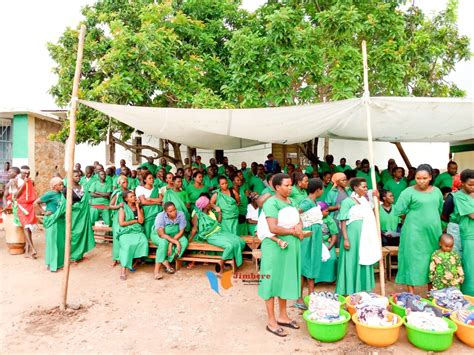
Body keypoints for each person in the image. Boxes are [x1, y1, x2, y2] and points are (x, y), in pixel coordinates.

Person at [259, 173, 304, 337]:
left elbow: (298, 219)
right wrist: (293, 231)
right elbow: (273, 227)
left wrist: (299, 226)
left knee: (284, 279)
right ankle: (271, 321)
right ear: (277, 187)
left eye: (291, 185)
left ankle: (283, 316)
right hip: (274, 246)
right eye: (287, 185)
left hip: (290, 245)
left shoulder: (292, 201)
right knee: (271, 281)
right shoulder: (271, 203)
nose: (290, 188)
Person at [394, 164, 443, 294]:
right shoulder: (408, 192)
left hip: (433, 233)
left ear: (430, 177)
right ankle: (411, 293)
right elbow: (398, 210)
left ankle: (431, 292)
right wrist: (413, 218)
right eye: (418, 178)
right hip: (413, 232)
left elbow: (439, 209)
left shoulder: (437, 191)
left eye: (425, 178)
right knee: (412, 259)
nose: (421, 181)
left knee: (432, 259)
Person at [336, 178, 379, 295]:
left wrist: (376, 198)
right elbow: (343, 221)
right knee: (352, 260)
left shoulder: (365, 201)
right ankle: (350, 289)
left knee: (364, 258)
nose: (366, 189)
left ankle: (363, 288)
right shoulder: (347, 201)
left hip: (365, 235)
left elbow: (374, 212)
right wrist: (345, 239)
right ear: (355, 188)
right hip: (352, 236)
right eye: (363, 187)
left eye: (366, 187)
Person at [189, 195, 245, 267]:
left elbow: (218, 222)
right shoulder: (198, 215)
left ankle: (231, 261)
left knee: (240, 240)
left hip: (219, 232)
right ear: (205, 206)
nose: (210, 204)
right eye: (209, 203)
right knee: (229, 246)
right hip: (210, 236)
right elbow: (194, 229)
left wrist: (219, 213)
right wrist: (190, 239)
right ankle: (222, 262)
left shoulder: (211, 212)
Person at [295, 178, 325, 310]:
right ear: (318, 190)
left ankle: (311, 296)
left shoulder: (314, 201)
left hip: (315, 237)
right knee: (304, 266)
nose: (323, 191)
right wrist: (300, 227)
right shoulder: (307, 202)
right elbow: (296, 213)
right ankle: (299, 297)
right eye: (322, 188)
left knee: (312, 265)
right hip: (307, 238)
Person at [446, 169, 474, 295]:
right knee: (468, 265)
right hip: (466, 232)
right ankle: (469, 293)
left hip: (468, 232)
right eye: (470, 184)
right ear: (462, 183)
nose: (473, 187)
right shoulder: (457, 197)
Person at [117, 190, 149, 280]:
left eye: (134, 196)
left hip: (137, 231)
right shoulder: (122, 208)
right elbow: (122, 223)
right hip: (126, 231)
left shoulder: (139, 207)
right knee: (127, 246)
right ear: (126, 199)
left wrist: (138, 207)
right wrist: (134, 221)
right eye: (131, 196)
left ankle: (135, 262)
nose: (134, 197)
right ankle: (123, 270)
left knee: (143, 242)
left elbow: (141, 221)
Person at [64, 170, 96, 262]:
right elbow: (67, 202)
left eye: (79, 176)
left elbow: (86, 199)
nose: (78, 177)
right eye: (76, 176)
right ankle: (72, 255)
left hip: (83, 214)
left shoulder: (83, 187)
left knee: (82, 233)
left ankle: (79, 254)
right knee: (73, 234)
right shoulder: (68, 188)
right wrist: (77, 206)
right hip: (74, 214)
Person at [34, 177, 65, 271]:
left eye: (62, 184)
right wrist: (43, 212)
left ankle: (59, 263)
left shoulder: (62, 194)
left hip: (61, 221)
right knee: (52, 243)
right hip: (52, 220)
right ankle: (52, 264)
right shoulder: (50, 194)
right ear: (54, 186)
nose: (62, 186)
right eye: (60, 184)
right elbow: (36, 203)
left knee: (60, 243)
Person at [152, 202, 188, 280]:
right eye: (170, 211)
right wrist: (176, 242)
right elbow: (161, 234)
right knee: (163, 243)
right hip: (159, 235)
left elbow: (181, 231)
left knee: (184, 242)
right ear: (166, 211)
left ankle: (166, 260)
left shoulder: (180, 214)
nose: (174, 212)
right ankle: (156, 271)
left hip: (175, 234)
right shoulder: (160, 216)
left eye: (174, 209)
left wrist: (171, 244)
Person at [15, 166, 38, 258]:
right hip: (21, 207)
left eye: (28, 173)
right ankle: (32, 248)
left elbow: (32, 194)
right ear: (21, 172)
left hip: (29, 206)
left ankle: (28, 252)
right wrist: (24, 184)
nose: (26, 175)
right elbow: (16, 196)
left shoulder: (30, 181)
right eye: (24, 173)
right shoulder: (15, 181)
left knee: (29, 228)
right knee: (26, 227)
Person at [109, 175, 129, 266]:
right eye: (123, 182)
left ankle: (125, 257)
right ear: (119, 183)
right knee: (117, 236)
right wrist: (118, 206)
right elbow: (111, 205)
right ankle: (116, 258)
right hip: (118, 216)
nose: (125, 183)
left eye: (126, 182)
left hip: (128, 215)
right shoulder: (117, 192)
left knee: (126, 236)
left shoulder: (130, 192)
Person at [135, 172, 163, 239]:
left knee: (157, 228)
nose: (152, 180)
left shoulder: (157, 189)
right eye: (149, 178)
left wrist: (150, 199)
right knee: (147, 228)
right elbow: (143, 202)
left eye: (152, 178)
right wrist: (156, 202)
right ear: (145, 180)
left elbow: (161, 199)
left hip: (157, 212)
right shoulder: (140, 189)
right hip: (146, 213)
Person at [317, 202, 339, 283]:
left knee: (332, 258)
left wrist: (330, 246)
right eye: (326, 211)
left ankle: (330, 279)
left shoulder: (329, 219)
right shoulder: (313, 219)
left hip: (327, 243)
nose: (328, 212)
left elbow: (334, 234)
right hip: (316, 243)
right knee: (316, 259)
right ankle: (316, 280)